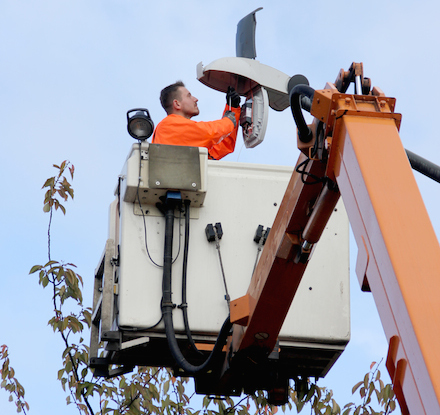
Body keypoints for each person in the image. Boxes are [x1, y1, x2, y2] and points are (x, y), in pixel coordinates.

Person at [152, 81, 241, 160]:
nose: (195, 99)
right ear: (177, 104)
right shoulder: (168, 125)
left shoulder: (185, 138)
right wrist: (228, 121)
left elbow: (219, 150)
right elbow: (208, 132)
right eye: (189, 96)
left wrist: (233, 108)